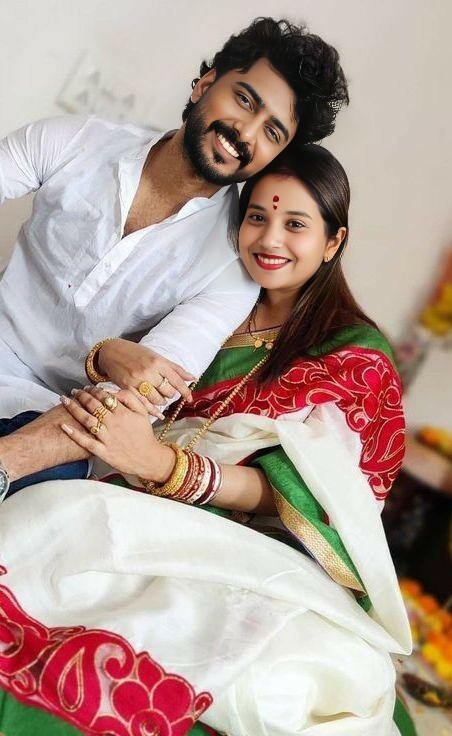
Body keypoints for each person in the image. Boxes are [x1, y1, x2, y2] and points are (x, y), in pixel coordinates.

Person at [0, 144, 414, 735]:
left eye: (296, 224)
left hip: (248, 545)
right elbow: (114, 363)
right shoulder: (213, 298)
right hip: (127, 492)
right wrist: (108, 353)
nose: (270, 239)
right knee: (35, 530)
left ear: (333, 241)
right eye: (257, 217)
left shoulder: (355, 360)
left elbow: (325, 502)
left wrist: (163, 465)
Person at [0, 17, 349, 497]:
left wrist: (7, 460)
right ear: (205, 84)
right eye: (245, 100)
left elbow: (133, 403)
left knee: (60, 483)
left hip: (50, 421)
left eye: (272, 131)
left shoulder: (231, 271)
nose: (245, 133)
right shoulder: (78, 141)